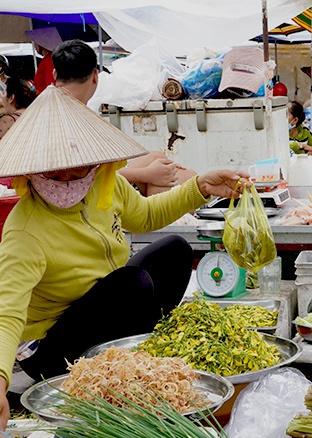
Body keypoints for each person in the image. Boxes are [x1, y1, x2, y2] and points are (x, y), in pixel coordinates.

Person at [0, 85, 250, 430]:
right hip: (51, 345)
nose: (68, 181)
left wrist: (200, 188)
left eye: (78, 170)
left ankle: (135, 349)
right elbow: (7, 311)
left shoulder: (105, 184)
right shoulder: (25, 230)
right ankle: (119, 363)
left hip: (100, 303)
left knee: (174, 250)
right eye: (54, 175)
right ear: (31, 172)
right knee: (130, 284)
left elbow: (146, 217)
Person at [52, 40, 197, 197]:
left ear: (54, 74)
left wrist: (151, 171)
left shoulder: (54, 109)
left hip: (72, 188)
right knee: (180, 178)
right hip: (78, 194)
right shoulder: (75, 118)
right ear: (95, 76)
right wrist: (146, 174)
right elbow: (86, 178)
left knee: (158, 159)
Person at [26, 27, 63, 94]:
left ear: (41, 45)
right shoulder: (51, 58)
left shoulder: (49, 60)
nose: (34, 47)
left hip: (47, 98)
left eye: (35, 44)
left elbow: (51, 84)